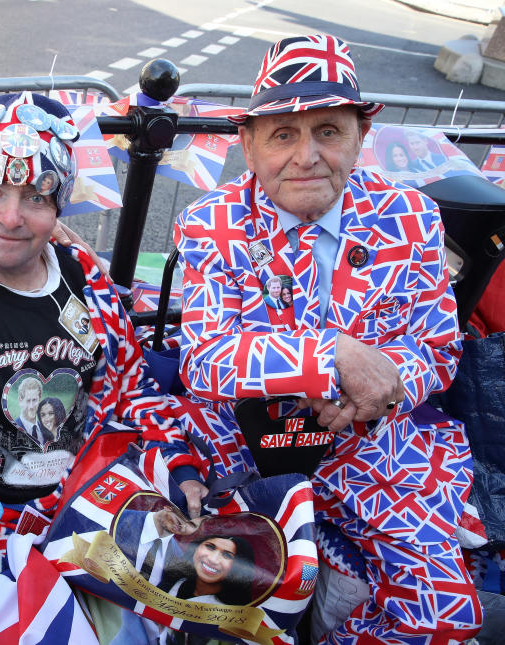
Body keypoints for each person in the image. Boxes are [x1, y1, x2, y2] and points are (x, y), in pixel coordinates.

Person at [0, 91, 211, 634]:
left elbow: (134, 392)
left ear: (58, 208)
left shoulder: (84, 281)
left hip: (95, 511)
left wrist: (182, 471)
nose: (10, 217)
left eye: (35, 197)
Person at [174, 34, 481, 643]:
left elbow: (440, 351)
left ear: (361, 137)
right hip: (244, 446)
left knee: (441, 614)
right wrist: (331, 358)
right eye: (283, 134)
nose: (307, 156)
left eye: (329, 131)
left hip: (377, 451)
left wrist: (385, 386)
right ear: (249, 145)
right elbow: (204, 361)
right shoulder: (213, 222)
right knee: (224, 612)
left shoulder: (410, 217)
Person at [171, 534, 255, 606]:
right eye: (210, 547)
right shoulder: (173, 582)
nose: (212, 559)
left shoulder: (234, 614)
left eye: (227, 555)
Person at [14, 375, 44, 443]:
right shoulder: (13, 427)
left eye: (34, 400)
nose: (31, 406)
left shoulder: (45, 430)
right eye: (28, 401)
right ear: (20, 401)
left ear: (40, 400)